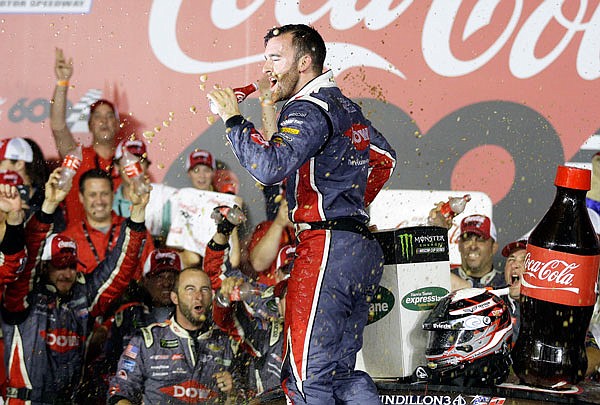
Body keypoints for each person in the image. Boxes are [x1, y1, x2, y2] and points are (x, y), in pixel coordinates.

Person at [208, 24, 397, 404]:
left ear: (306, 62)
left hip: (326, 247)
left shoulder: (308, 108)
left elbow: (269, 166)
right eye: (265, 59)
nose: (268, 68)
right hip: (358, 247)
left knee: (305, 377)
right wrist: (351, 206)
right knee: (342, 375)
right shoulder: (345, 106)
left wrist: (233, 120)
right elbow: (386, 160)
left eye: (276, 58)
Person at [1, 167, 149, 404]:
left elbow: (119, 269)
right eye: (59, 265)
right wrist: (49, 206)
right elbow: (29, 257)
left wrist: (138, 212)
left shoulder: (82, 297)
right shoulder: (23, 297)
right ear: (44, 267)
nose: (66, 273)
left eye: (71, 265)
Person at [107, 267, 242, 404]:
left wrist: (233, 392)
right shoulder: (147, 340)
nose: (198, 297)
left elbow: (246, 396)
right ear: (174, 298)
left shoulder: (226, 342)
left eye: (204, 290)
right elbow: (120, 391)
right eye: (190, 289)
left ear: (212, 296)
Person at [78, 248, 183, 404]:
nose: (167, 283)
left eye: (172, 276)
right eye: (159, 276)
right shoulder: (128, 314)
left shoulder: (190, 317)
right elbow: (105, 363)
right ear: (145, 280)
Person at [50, 48, 121, 226]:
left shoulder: (128, 164)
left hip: (118, 246)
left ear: (118, 125)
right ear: (89, 124)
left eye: (110, 116)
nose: (104, 121)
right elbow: (58, 125)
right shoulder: (77, 156)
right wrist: (62, 82)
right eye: (97, 116)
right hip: (79, 246)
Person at [63, 168, 154, 275]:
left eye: (104, 194)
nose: (99, 201)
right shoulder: (68, 238)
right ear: (81, 197)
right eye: (92, 195)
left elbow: (151, 274)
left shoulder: (135, 231)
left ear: (113, 194)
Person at [452, 214, 504, 289]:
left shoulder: (506, 285)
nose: (473, 246)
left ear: (494, 247)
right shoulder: (445, 280)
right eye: (467, 239)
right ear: (460, 246)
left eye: (480, 240)